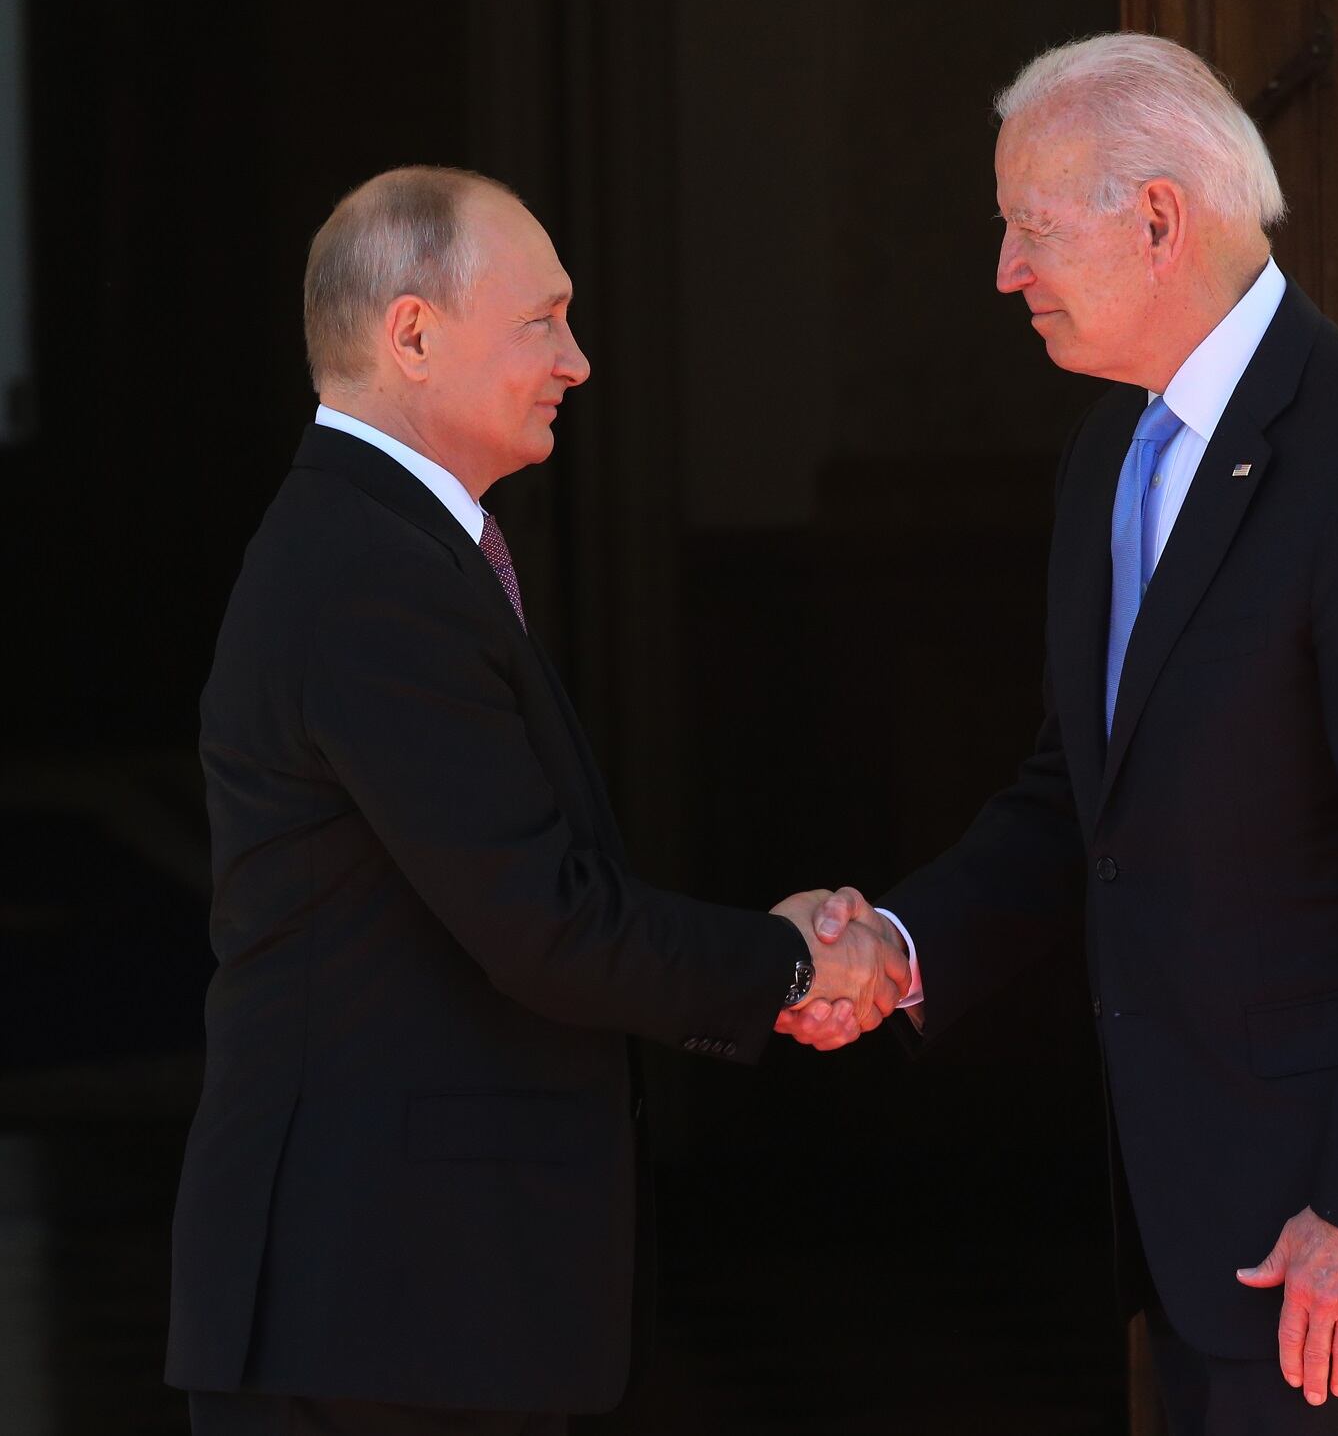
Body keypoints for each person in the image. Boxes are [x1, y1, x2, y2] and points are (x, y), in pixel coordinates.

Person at [784, 35, 1338, 1434]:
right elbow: (1079, 791)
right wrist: (898, 949)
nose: (1005, 273)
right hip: (1197, 1205)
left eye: (1029, 228)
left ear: (1158, 219)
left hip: (1335, 1233)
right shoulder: (1115, 449)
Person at [166, 166, 908, 1436]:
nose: (575, 359)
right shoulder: (368, 574)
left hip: (407, 1305)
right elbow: (541, 925)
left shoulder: (392, 549)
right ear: (412, 334)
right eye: (542, 320)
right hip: (378, 1312)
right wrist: (789, 964)